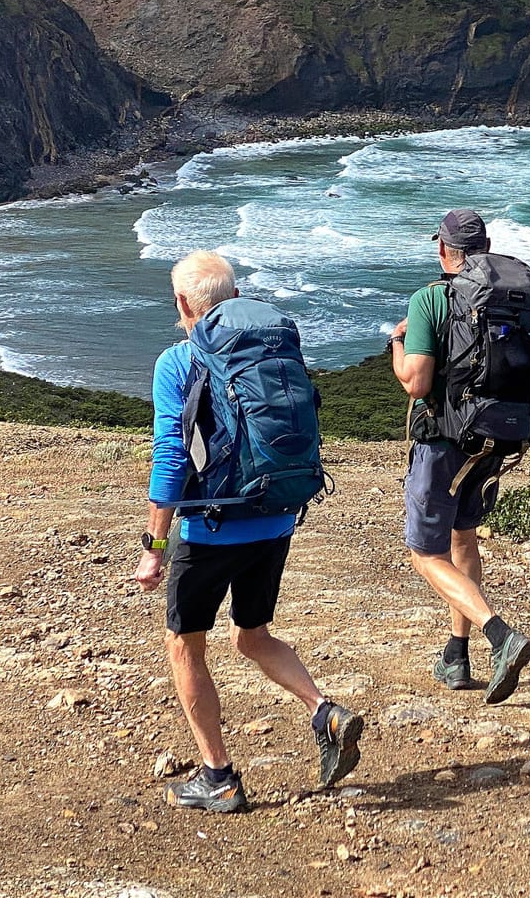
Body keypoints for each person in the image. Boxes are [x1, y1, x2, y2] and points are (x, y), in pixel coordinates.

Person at [131, 250, 363, 811]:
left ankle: (219, 777)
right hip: (277, 514)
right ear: (232, 299)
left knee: (185, 645)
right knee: (250, 635)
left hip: (213, 526)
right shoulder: (270, 353)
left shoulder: (178, 360)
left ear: (184, 303)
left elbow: (171, 455)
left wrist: (155, 546)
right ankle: (323, 710)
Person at [389, 208, 530, 704]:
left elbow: (417, 383)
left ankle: (499, 634)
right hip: (497, 444)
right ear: (485, 247)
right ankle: (456, 655)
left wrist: (397, 344)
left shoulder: (430, 300)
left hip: (443, 447)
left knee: (426, 554)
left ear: (443, 249)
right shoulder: (512, 306)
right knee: (464, 540)